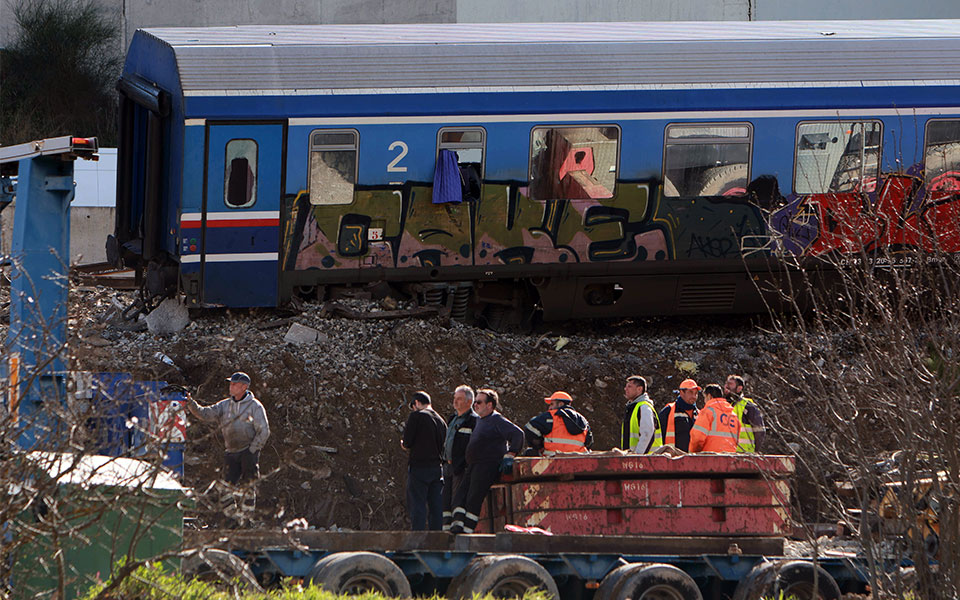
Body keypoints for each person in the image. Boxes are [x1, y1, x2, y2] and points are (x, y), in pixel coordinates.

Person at [185, 371, 270, 524]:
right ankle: (234, 520)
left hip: (248, 451)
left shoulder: (254, 406)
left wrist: (253, 450)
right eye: (230, 383)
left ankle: (247, 521)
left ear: (244, 387)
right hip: (231, 452)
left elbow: (264, 430)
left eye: (234, 384)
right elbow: (205, 414)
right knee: (225, 489)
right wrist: (191, 403)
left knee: (248, 487)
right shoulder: (225, 405)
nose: (230, 387)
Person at [449, 388, 524, 534]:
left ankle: (467, 530)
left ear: (489, 405)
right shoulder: (481, 421)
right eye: (475, 402)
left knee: (473, 498)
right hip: (474, 465)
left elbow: (517, 434)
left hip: (487, 465)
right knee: (460, 496)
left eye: (479, 402)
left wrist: (510, 455)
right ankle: (457, 527)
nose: (475, 405)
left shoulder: (496, 419)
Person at [401, 390, 447, 531]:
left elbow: (407, 442)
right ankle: (436, 540)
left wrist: (403, 443)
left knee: (418, 505)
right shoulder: (441, 421)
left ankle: (418, 540)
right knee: (436, 507)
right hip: (437, 469)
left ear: (417, 403)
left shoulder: (417, 416)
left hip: (419, 468)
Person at [442, 385, 477, 531]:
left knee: (458, 498)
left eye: (459, 399)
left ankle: (458, 527)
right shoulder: (453, 419)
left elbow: (472, 446)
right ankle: (446, 527)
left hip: (461, 466)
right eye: (455, 398)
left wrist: (465, 463)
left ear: (469, 402)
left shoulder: (473, 420)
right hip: (447, 465)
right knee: (446, 500)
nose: (455, 402)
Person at [524, 391, 593, 455]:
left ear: (560, 404)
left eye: (552, 404)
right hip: (579, 459)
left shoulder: (551, 416)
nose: (550, 408)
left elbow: (529, 429)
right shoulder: (582, 419)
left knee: (529, 452)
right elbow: (589, 441)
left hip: (552, 459)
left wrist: (539, 446)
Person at [689, 384, 740, 453]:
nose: (704, 400)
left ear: (709, 396)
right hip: (730, 458)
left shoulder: (708, 412)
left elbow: (697, 438)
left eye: (705, 397)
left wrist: (693, 453)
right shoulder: (733, 416)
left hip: (709, 459)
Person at [620, 375, 662, 454]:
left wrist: (638, 456)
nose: (625, 389)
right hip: (635, 461)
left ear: (639, 389)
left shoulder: (644, 407)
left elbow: (647, 433)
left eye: (629, 386)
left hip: (647, 462)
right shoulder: (633, 408)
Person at [724, 375, 766, 453]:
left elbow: (759, 431)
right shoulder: (725, 405)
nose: (726, 386)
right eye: (726, 383)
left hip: (745, 454)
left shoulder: (748, 406)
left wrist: (755, 451)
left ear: (739, 388)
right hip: (728, 453)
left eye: (730, 384)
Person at [658, 379, 700, 452]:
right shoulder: (669, 411)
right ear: (681, 393)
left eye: (696, 393)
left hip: (694, 459)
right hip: (673, 458)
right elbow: (659, 436)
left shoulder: (699, 414)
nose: (694, 396)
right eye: (690, 392)